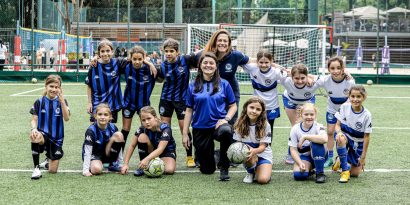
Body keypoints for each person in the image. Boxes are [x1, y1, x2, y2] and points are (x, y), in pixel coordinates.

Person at [183, 52, 237, 181]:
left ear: (216, 66)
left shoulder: (224, 84)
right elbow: (189, 110)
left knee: (226, 131)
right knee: (207, 170)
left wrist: (226, 119)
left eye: (211, 63)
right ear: (200, 66)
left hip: (218, 125)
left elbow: (233, 106)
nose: (208, 65)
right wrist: (185, 133)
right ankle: (216, 155)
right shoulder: (193, 85)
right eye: (205, 63)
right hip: (200, 127)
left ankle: (224, 167)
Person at [195, 29, 249, 124]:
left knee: (230, 122)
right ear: (214, 41)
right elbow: (188, 62)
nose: (222, 43)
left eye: (225, 41)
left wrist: (276, 66)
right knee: (210, 120)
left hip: (231, 92)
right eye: (219, 40)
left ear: (229, 43)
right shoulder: (204, 55)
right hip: (211, 91)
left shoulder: (236, 55)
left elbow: (253, 61)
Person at [157, 38, 197, 168]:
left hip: (182, 100)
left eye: (171, 51)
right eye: (166, 51)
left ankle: (189, 156)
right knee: (165, 128)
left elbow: (200, 58)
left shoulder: (185, 60)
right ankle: (167, 154)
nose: (168, 54)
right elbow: (159, 79)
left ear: (177, 52)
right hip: (166, 100)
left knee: (183, 128)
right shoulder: (163, 65)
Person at [314, 57, 355, 167]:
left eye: (338, 68)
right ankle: (330, 157)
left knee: (344, 134)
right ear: (328, 69)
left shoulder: (349, 81)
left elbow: (353, 97)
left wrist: (345, 109)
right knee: (330, 132)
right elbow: (313, 82)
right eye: (332, 68)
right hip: (332, 110)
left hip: (345, 111)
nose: (335, 71)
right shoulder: (325, 80)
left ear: (343, 69)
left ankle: (344, 157)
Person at [29, 74, 70, 179]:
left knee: (52, 171)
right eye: (51, 86)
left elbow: (66, 118)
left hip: (57, 139)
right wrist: (34, 128)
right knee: (34, 136)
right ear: (46, 86)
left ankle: (48, 161)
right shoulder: (39, 101)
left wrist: (61, 102)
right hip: (43, 135)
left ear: (60, 89)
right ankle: (36, 169)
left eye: (56, 87)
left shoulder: (62, 101)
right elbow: (34, 119)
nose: (53, 89)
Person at [121, 45, 156, 162]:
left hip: (144, 105)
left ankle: (149, 157)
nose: (136, 62)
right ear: (130, 58)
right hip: (128, 103)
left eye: (139, 59)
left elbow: (161, 76)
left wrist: (150, 64)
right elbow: (108, 60)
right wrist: (95, 57)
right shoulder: (125, 65)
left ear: (144, 58)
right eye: (134, 59)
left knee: (147, 129)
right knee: (125, 130)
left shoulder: (150, 69)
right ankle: (119, 157)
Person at [332, 85, 372, 183]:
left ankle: (340, 160)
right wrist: (339, 132)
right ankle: (345, 171)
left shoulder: (367, 115)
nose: (355, 99)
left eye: (358, 96)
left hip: (358, 142)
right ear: (349, 97)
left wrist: (363, 157)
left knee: (355, 174)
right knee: (340, 138)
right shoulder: (344, 107)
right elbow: (337, 126)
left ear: (364, 97)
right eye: (352, 96)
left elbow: (366, 137)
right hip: (345, 136)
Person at [121, 106, 176, 176]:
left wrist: (147, 159)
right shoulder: (142, 129)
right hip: (151, 150)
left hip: (165, 152)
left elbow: (160, 149)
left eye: (149, 118)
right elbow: (132, 145)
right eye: (143, 120)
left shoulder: (165, 128)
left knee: (169, 170)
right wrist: (125, 164)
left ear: (155, 117)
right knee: (142, 137)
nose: (146, 122)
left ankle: (148, 162)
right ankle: (143, 166)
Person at [242, 49, 287, 134]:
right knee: (255, 127)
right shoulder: (252, 68)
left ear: (271, 62)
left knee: (269, 129)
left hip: (272, 105)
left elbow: (287, 73)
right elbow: (240, 60)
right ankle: (256, 146)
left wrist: (275, 65)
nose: (263, 65)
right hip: (257, 105)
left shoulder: (276, 72)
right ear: (257, 62)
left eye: (266, 62)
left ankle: (267, 147)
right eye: (261, 62)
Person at [281, 64, 318, 164]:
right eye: (296, 78)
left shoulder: (313, 82)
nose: (300, 81)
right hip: (290, 100)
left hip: (307, 100)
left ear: (307, 76)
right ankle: (291, 154)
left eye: (303, 78)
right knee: (295, 126)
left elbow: (327, 78)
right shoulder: (286, 80)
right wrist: (285, 70)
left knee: (309, 125)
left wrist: (310, 77)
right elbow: (274, 70)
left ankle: (312, 153)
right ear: (291, 77)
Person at [85, 39, 127, 124]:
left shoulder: (117, 63)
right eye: (102, 51)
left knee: (110, 132)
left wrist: (150, 64)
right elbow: (89, 85)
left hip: (113, 105)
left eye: (108, 51)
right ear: (99, 53)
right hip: (97, 103)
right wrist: (89, 102)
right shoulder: (93, 66)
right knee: (94, 129)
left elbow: (132, 58)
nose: (105, 53)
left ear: (112, 51)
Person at [233, 97, 272, 184]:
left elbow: (263, 146)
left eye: (258, 109)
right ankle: (250, 172)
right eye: (252, 107)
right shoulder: (239, 123)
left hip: (263, 155)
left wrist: (255, 151)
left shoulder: (265, 125)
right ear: (246, 107)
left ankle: (260, 169)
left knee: (262, 180)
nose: (254, 111)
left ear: (262, 112)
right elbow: (238, 144)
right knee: (246, 152)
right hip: (248, 155)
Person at [82, 103, 125, 176]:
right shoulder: (91, 131)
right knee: (96, 169)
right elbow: (87, 151)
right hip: (95, 155)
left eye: (105, 115)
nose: (102, 117)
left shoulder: (113, 128)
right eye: (100, 114)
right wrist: (85, 170)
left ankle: (113, 164)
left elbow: (119, 147)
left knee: (119, 135)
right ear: (95, 116)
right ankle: (96, 164)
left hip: (107, 154)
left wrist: (121, 165)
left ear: (110, 117)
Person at [288, 103, 328, 183]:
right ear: (301, 115)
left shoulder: (318, 126)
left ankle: (320, 173)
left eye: (311, 114)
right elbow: (293, 150)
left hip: (320, 154)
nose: (309, 117)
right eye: (306, 114)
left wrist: (306, 137)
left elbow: (324, 139)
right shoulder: (295, 129)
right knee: (299, 175)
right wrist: (299, 163)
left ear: (315, 115)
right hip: (305, 157)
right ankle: (310, 169)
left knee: (316, 143)